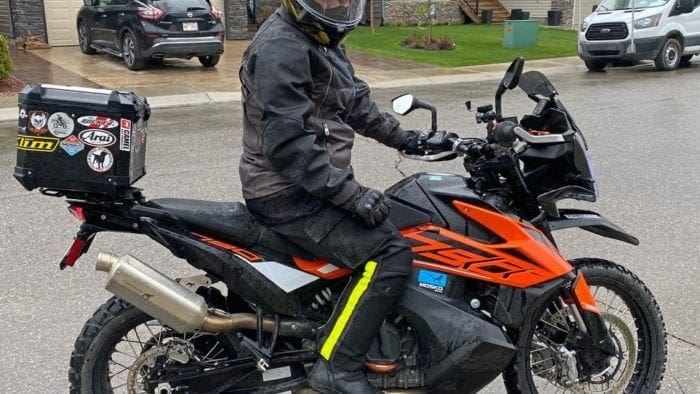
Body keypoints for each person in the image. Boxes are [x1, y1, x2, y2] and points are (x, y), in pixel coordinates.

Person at [237, 0, 433, 392]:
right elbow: (289, 145)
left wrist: (409, 140)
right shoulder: (282, 47)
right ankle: (337, 367)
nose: (338, 4)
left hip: (312, 184)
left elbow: (355, 103)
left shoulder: (321, 38)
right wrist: (351, 194)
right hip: (285, 191)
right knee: (390, 254)